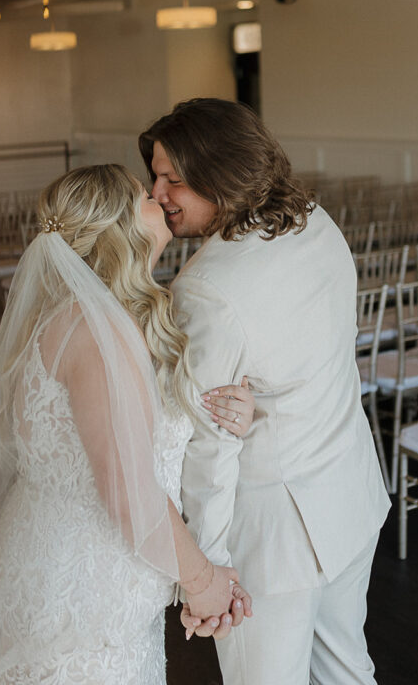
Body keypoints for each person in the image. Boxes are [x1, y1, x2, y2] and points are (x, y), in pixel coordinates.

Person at [0, 163, 253, 685]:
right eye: (141, 196)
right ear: (118, 229)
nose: (157, 199)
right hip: (79, 604)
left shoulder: (92, 318)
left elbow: (132, 437)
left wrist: (224, 412)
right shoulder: (97, 332)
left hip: (79, 580)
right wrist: (204, 582)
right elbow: (128, 488)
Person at [140, 99, 391, 685]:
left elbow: (208, 445)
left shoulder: (205, 289)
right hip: (349, 492)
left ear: (221, 172)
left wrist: (206, 568)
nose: (157, 195)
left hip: (276, 537)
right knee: (347, 671)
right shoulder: (314, 218)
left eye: (174, 179)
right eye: (155, 176)